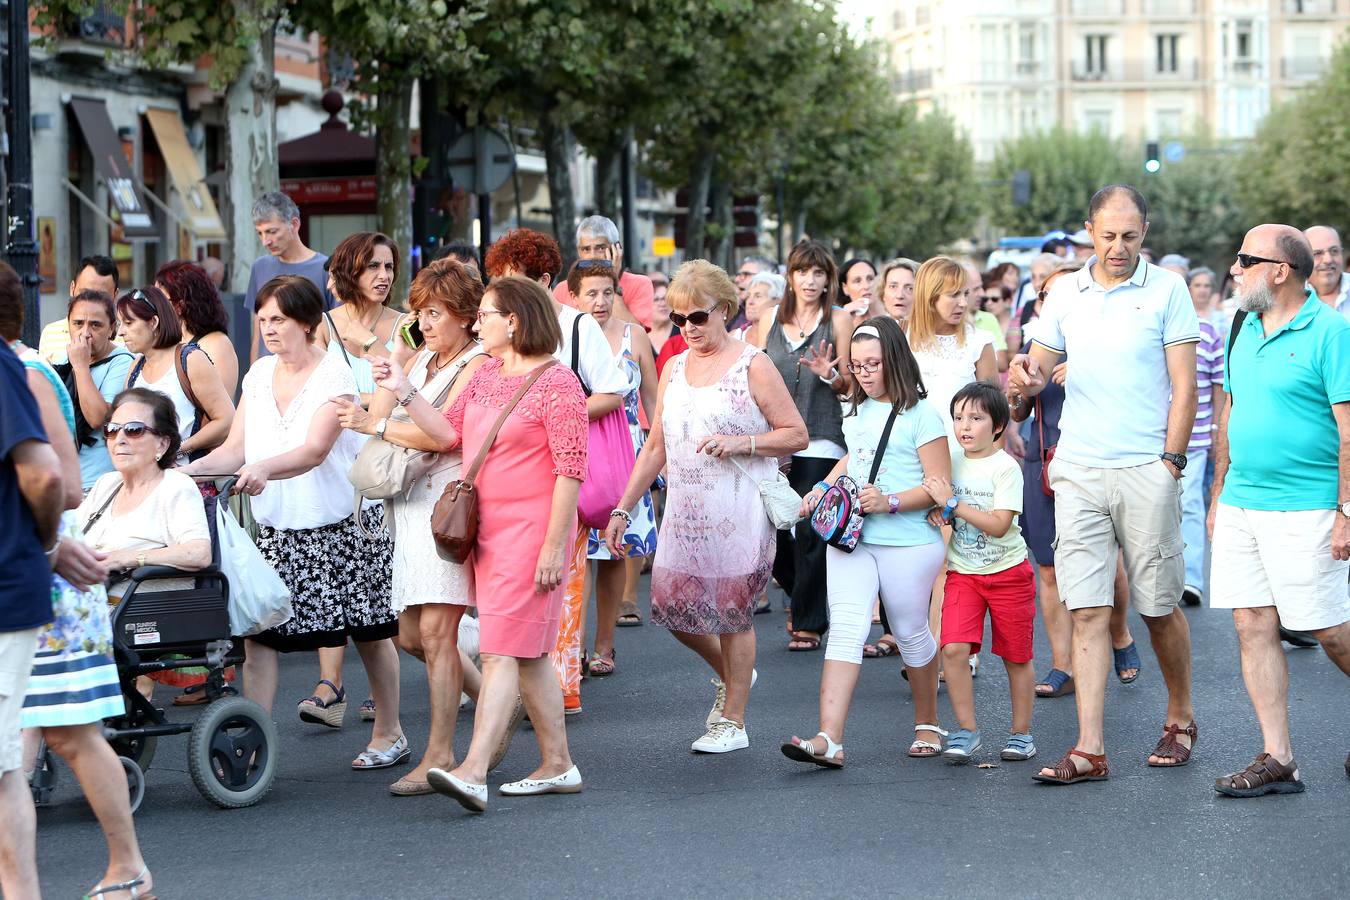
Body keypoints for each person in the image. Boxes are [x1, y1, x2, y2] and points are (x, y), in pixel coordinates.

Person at [373, 275, 589, 813]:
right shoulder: (487, 372)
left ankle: (471, 770)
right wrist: (402, 390)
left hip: (534, 533)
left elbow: (571, 472)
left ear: (513, 321)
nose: (477, 321)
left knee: (498, 651)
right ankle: (558, 764)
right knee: (530, 653)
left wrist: (551, 548)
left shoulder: (559, 384)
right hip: (487, 532)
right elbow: (446, 434)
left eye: (487, 314)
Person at [1009, 184, 1200, 785]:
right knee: (1086, 609)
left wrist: (1169, 465)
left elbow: (1185, 384)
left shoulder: (1168, 290)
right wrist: (1022, 383)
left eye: (1130, 236)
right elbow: (1033, 371)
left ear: (1145, 233)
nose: (1118, 247)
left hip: (1146, 468)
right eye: (1108, 235)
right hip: (1080, 472)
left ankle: (1180, 716)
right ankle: (1089, 747)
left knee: (1158, 606)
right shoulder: (1065, 293)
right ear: (1089, 229)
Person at [181, 276, 405, 771]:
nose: (269, 329)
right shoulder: (259, 374)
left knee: (368, 632)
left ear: (307, 323)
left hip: (343, 525)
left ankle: (390, 732)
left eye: (279, 319)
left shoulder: (334, 377)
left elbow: (314, 450)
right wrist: (182, 472)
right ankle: (254, 740)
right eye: (262, 320)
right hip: (280, 529)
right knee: (262, 635)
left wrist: (262, 468)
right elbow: (236, 448)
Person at [606, 260, 807, 753]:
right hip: (685, 510)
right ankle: (735, 675)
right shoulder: (673, 366)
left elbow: (795, 434)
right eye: (677, 319)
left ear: (724, 310)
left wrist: (743, 444)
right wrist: (622, 508)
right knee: (672, 609)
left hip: (739, 510)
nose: (687, 328)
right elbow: (655, 447)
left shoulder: (752, 363)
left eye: (696, 317)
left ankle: (733, 721)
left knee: (733, 615)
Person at [5, 266, 154, 900]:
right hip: (39, 557)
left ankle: (127, 866)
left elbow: (60, 482)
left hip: (53, 567)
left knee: (69, 732)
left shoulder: (28, 374)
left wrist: (46, 545)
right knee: (24, 743)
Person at [333, 257, 490, 795]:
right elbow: (380, 417)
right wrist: (398, 357)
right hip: (405, 503)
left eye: (436, 313)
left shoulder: (476, 363)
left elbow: (447, 436)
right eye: (420, 312)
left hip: (446, 504)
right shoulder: (419, 355)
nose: (425, 322)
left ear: (468, 317)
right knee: (405, 633)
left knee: (436, 633)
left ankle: (440, 755)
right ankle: (497, 702)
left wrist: (387, 415)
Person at [1208, 224, 1350, 796]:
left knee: (1328, 629)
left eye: (1246, 259)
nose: (1235, 269)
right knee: (1252, 623)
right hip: (1244, 499)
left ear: (1281, 270)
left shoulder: (1332, 331)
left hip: (1308, 504)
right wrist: (1219, 494)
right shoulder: (1243, 323)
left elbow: (1348, 429)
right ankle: (1279, 757)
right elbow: (1231, 411)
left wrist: (1346, 509)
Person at [779, 317, 946, 769]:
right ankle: (828, 738)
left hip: (909, 541)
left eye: (874, 363)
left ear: (895, 360)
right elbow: (857, 458)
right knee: (848, 628)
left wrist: (891, 501)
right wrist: (822, 488)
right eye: (857, 365)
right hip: (853, 536)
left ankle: (928, 723)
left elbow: (939, 485)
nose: (865, 373)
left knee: (911, 630)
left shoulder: (924, 415)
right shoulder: (856, 409)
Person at [483, 228, 626, 715]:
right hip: (510, 476)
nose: (502, 297)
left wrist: (558, 415)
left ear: (544, 280)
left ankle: (562, 686)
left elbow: (613, 391)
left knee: (564, 581)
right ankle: (520, 683)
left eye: (513, 282)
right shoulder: (499, 335)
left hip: (565, 469)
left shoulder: (578, 327)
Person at [1009, 263, 1139, 699]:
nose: (1052, 301)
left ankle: (1119, 636)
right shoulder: (1035, 347)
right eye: (1045, 295)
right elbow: (1018, 412)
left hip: (1099, 459)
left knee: (1109, 562)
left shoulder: (1106, 338)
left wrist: (1083, 369)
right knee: (1047, 568)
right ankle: (1063, 664)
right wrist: (1017, 391)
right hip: (1043, 462)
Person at [923, 382, 1037, 763]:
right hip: (964, 573)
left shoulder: (1006, 468)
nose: (964, 426)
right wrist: (939, 512)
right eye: (958, 418)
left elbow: (1000, 524)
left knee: (1016, 657)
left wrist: (952, 503)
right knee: (952, 650)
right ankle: (966, 730)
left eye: (976, 418)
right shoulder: (951, 461)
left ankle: (1021, 734)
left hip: (1009, 573)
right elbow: (937, 506)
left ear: (999, 424)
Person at [750, 240, 855, 652]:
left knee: (811, 527)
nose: (810, 281)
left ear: (829, 279)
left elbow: (850, 384)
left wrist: (829, 375)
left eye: (819, 273)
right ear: (790, 277)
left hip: (822, 437)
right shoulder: (768, 318)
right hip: (775, 438)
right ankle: (807, 598)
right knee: (770, 528)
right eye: (802, 272)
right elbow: (754, 377)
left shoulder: (839, 320)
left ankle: (809, 621)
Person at [78, 389, 213, 705]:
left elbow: (198, 552)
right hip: (97, 601)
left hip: (138, 609)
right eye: (112, 430)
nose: (119, 439)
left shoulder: (175, 486)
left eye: (134, 430)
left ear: (163, 443)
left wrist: (129, 558)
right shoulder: (106, 485)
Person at [568, 261, 658, 675]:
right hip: (577, 448)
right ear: (573, 296)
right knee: (575, 556)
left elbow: (655, 404)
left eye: (607, 292)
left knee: (610, 551)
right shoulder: (562, 336)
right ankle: (571, 648)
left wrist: (662, 455)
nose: (600, 301)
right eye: (591, 293)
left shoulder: (633, 334)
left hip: (626, 451)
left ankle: (604, 646)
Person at [0, 336, 61, 898]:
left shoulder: (9, 366)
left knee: (2, 771)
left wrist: (45, 546)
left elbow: (46, 475)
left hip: (5, 589)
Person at [117, 287, 235, 463]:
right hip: (143, 478)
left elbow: (226, 420)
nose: (120, 332)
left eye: (128, 323)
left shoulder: (190, 359)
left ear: (153, 322)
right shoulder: (135, 367)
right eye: (119, 323)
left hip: (188, 477)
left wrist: (179, 450)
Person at [908, 257, 999, 443]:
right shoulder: (901, 340)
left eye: (966, 293)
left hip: (965, 456)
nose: (964, 303)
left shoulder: (979, 341)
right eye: (954, 294)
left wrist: (992, 465)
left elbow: (995, 412)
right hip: (909, 456)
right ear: (929, 296)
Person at [55, 289, 137, 490]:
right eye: (78, 323)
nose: (85, 333)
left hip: (100, 484)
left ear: (112, 329)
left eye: (95, 325)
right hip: (66, 482)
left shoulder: (122, 363)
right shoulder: (63, 360)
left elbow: (98, 418)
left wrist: (81, 367)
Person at [244, 191, 334, 362]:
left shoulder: (326, 269)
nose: (265, 241)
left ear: (294, 224)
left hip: (311, 372)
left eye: (272, 231)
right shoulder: (259, 267)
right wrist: (252, 379)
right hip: (267, 376)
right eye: (260, 233)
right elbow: (258, 331)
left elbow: (336, 329)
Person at [320, 231, 408, 405]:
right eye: (373, 266)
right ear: (350, 271)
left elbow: (411, 388)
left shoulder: (405, 324)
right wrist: (379, 400)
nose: (384, 275)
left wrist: (370, 342)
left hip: (388, 430)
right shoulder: (323, 325)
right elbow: (317, 392)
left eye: (389, 267)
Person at [1180, 279, 1225, 608]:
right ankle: (1157, 581)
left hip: (1194, 437)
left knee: (1192, 506)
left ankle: (1191, 579)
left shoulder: (1207, 331)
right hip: (1150, 436)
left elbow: (1218, 384)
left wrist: (1215, 428)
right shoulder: (1150, 328)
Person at [552, 216, 654, 328]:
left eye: (600, 248)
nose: (593, 256)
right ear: (578, 252)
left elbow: (633, 335)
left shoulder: (640, 284)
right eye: (586, 249)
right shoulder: (563, 289)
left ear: (616, 249)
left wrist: (613, 281)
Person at [156, 259, 239, 396]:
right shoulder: (168, 340)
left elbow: (220, 410)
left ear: (180, 305)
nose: (155, 306)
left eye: (161, 300)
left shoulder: (217, 345)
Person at [38, 254, 119, 365]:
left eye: (101, 296)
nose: (91, 302)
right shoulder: (50, 334)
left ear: (115, 295)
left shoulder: (127, 337)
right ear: (72, 288)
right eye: (85, 293)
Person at [1303, 225, 1349, 316]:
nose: (1328, 260)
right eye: (1317, 253)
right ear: (1302, 258)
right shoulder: (1291, 297)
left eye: (1334, 251)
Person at [879, 258, 918, 327]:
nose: (900, 295)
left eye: (909, 288)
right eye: (893, 286)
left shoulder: (934, 333)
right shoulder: (871, 331)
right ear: (883, 294)